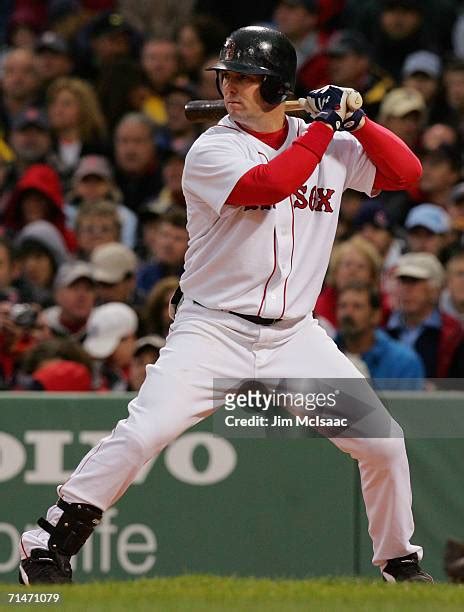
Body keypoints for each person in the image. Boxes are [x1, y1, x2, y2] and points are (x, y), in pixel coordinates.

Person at [18, 25, 432, 585]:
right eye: (227, 77)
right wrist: (324, 129)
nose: (231, 88)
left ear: (277, 86)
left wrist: (358, 123)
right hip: (213, 330)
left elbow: (408, 173)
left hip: (293, 338)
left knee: (381, 443)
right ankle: (48, 540)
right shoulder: (213, 147)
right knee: (144, 433)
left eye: (245, 78)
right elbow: (270, 185)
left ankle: (400, 565)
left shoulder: (327, 142)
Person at [387, 252, 464, 379]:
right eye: (402, 281)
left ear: (435, 289)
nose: (406, 289)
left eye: (414, 282)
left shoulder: (454, 335)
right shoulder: (381, 326)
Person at [335, 282, 425, 390]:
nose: (347, 313)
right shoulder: (322, 354)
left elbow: (408, 406)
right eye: (343, 306)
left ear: (375, 316)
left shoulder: (404, 362)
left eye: (357, 307)